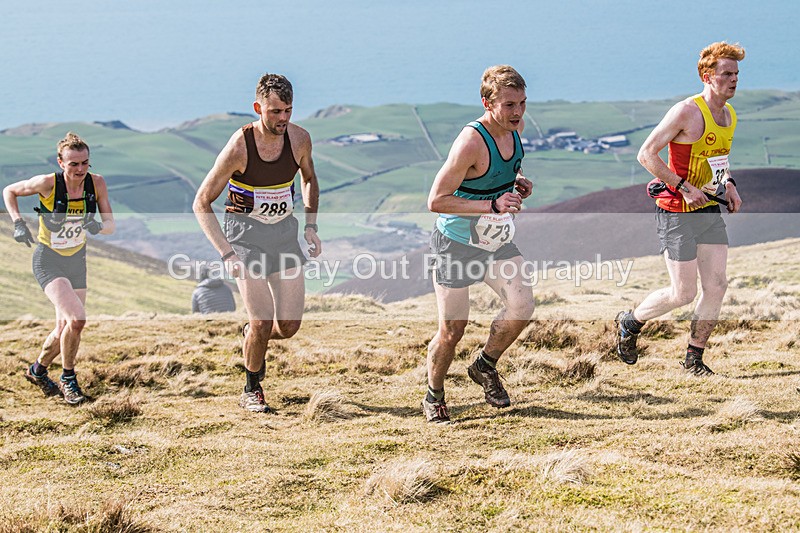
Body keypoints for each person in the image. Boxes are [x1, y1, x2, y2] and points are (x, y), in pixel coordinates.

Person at [193, 73, 322, 413]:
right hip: (245, 238)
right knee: (264, 321)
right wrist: (226, 253)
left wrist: (311, 226)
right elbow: (202, 202)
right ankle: (252, 386)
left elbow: (309, 179)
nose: (283, 119)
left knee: (289, 326)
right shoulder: (239, 147)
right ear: (258, 107)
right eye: (275, 111)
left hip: (283, 235)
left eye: (288, 111)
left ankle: (252, 334)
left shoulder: (299, 140)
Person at [615, 42, 745, 375]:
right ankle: (631, 322)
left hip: (707, 210)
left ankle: (694, 358)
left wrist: (728, 185)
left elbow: (719, 161)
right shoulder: (687, 111)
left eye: (737, 74)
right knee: (683, 293)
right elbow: (646, 154)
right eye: (727, 74)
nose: (734, 80)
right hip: (676, 210)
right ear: (707, 76)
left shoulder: (729, 115)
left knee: (717, 285)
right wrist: (683, 187)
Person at [423, 65, 535, 423]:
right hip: (455, 243)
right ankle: (434, 394)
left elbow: (497, 176)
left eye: (522, 103)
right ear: (487, 103)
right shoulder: (471, 141)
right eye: (508, 105)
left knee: (522, 306)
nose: (517, 112)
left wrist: (517, 184)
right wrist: (492, 204)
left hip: (495, 241)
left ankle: (485, 365)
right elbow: (436, 200)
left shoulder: (514, 133)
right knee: (453, 330)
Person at [3, 132, 115, 405]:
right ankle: (68, 379)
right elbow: (9, 191)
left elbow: (111, 224)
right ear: (60, 162)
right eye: (73, 164)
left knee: (64, 327)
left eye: (85, 163)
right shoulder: (47, 183)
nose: (79, 170)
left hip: (77, 259)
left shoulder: (96, 183)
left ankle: (38, 370)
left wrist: (97, 226)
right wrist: (18, 223)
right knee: (77, 320)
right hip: (48, 259)